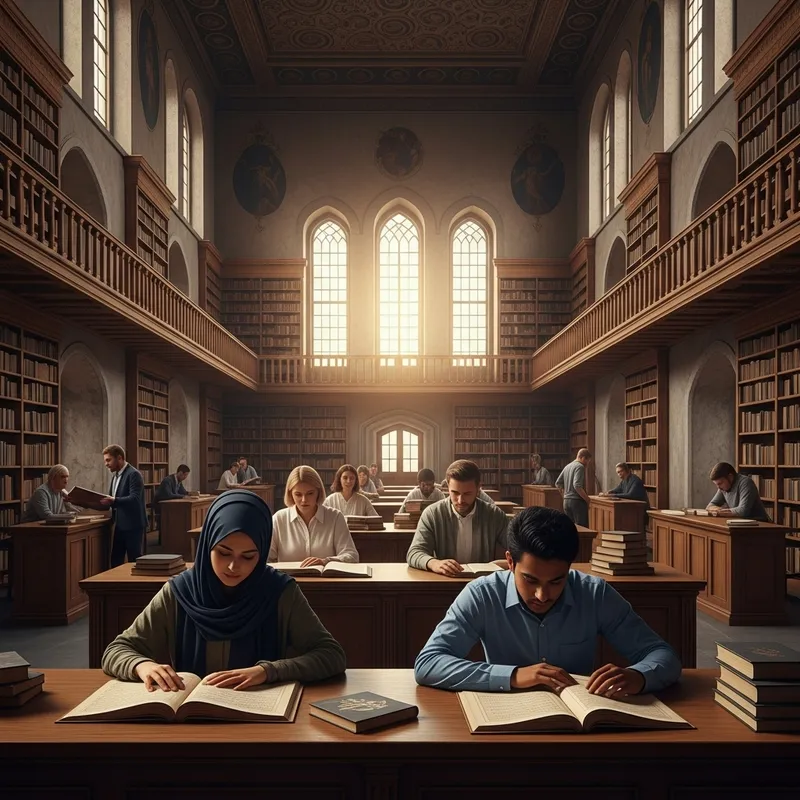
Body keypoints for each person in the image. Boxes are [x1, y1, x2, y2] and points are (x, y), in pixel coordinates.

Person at [415, 506, 681, 695]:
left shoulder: (594, 593)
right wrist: (513, 676)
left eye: (556, 581)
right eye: (530, 580)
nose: (542, 596)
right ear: (509, 561)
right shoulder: (482, 594)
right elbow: (429, 663)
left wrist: (639, 676)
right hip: (504, 719)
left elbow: (663, 655)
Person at [102, 489, 346, 689]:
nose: (233, 566)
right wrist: (142, 665)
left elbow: (331, 655)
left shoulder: (280, 591)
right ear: (207, 543)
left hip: (263, 718)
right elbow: (116, 650)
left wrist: (268, 671)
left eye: (248, 556)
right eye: (223, 552)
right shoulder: (181, 591)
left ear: (261, 555)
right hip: (192, 721)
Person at [407, 459, 509, 576]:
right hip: (445, 582)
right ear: (447, 487)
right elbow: (414, 553)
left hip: (482, 583)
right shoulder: (432, 514)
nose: (460, 500)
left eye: (467, 494)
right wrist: (434, 563)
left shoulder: (494, 515)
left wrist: (507, 562)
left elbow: (518, 548)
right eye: (455, 493)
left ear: (478, 489)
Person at [269, 465, 358, 565]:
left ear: (318, 492)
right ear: (290, 494)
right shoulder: (278, 519)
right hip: (287, 580)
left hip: (324, 580)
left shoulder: (335, 517)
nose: (304, 500)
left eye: (310, 493)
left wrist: (326, 561)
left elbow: (352, 556)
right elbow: (267, 559)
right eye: (298, 494)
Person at [99, 445, 147, 567]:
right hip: (120, 525)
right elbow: (111, 500)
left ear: (119, 458)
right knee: (116, 561)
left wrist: (114, 500)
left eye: (108, 460)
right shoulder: (115, 476)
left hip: (133, 525)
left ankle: (135, 586)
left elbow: (135, 499)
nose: (106, 464)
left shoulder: (133, 474)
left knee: (134, 561)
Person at [555, 448, 592, 527]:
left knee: (570, 528)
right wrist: (587, 499)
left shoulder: (567, 466)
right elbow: (577, 485)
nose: (587, 464)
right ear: (582, 457)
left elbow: (558, 483)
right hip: (577, 502)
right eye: (587, 461)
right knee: (582, 528)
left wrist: (564, 495)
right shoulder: (580, 466)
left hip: (566, 502)